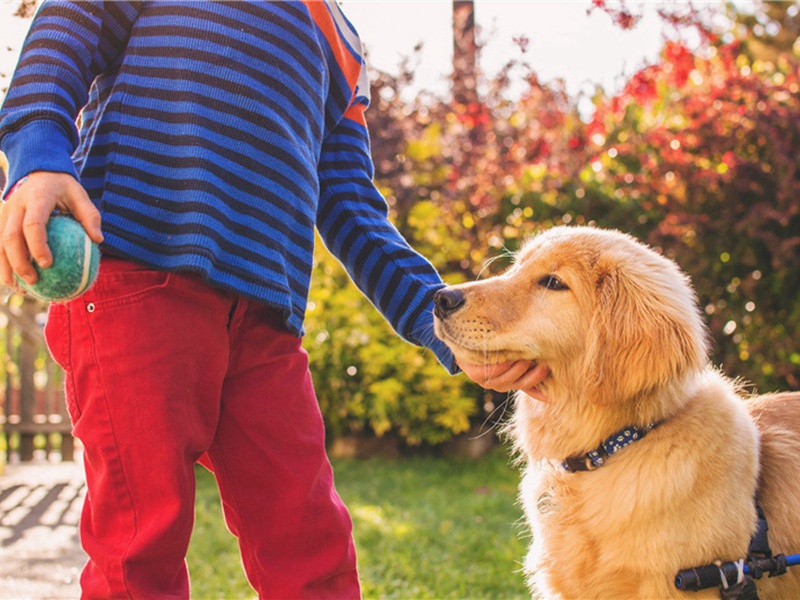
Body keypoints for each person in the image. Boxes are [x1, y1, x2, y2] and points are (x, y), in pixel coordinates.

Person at [0, 1, 547, 597]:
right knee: (138, 549)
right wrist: (38, 155)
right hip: (139, 281)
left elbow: (353, 210)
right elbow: (69, 24)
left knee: (311, 542)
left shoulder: (340, 40)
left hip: (264, 324)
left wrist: (443, 324)